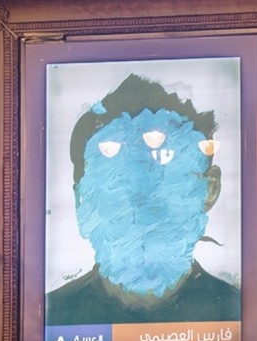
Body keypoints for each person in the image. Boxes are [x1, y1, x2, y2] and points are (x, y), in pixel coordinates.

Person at [45, 73, 240, 325]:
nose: (140, 203)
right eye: (119, 184)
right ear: (81, 202)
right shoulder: (51, 317)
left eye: (163, 178)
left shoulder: (238, 312)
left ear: (210, 190)